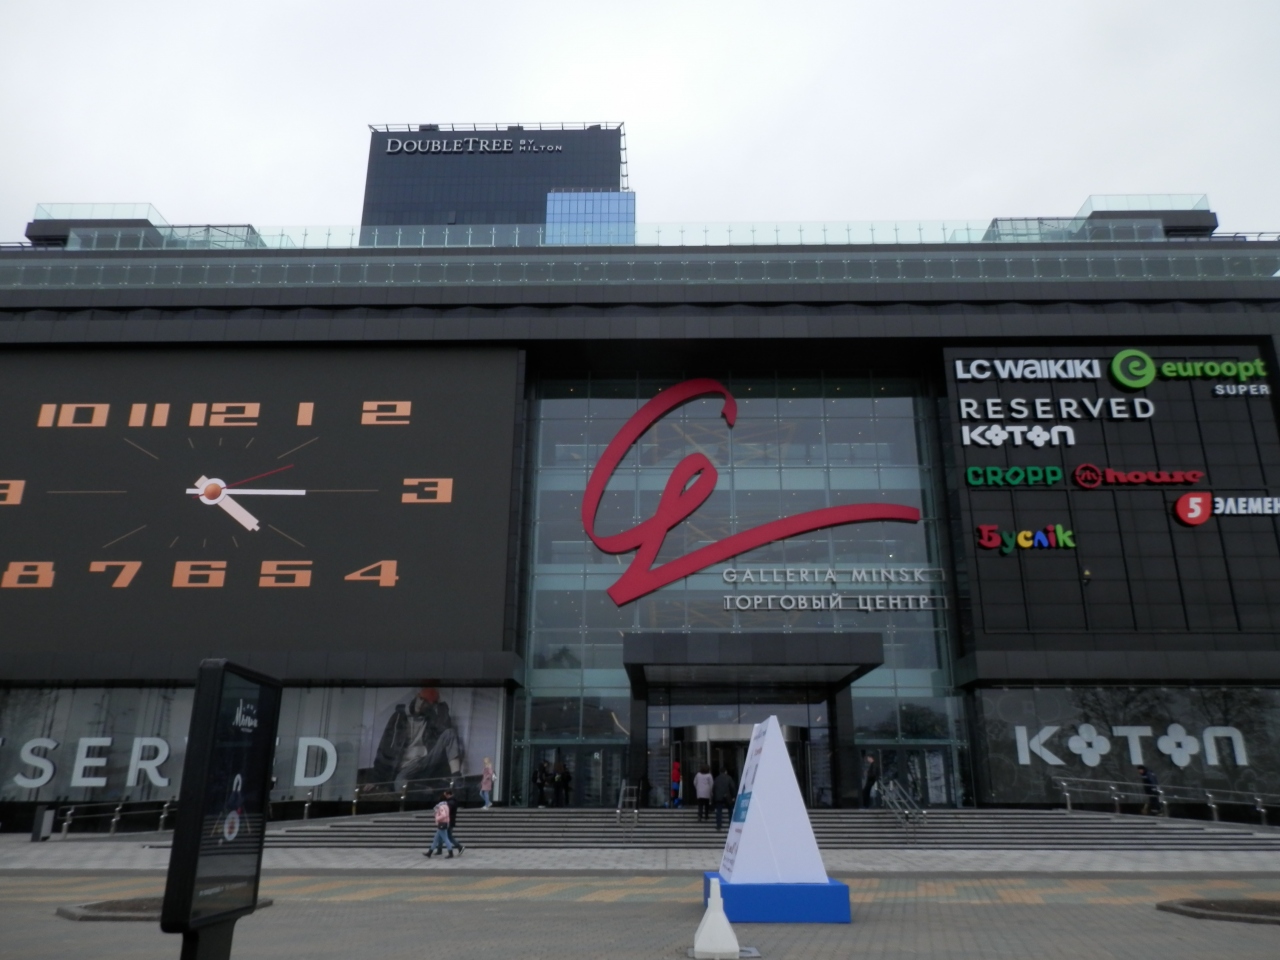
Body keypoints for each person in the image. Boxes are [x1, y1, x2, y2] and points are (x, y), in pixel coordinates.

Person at [371, 688, 463, 799]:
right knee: (400, 785)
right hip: (406, 768)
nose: (422, 703)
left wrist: (440, 705)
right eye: (421, 699)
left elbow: (445, 728)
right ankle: (430, 791)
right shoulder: (399, 717)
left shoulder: (431, 718)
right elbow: (385, 747)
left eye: (427, 702)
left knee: (449, 733)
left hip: (425, 761)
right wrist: (375, 779)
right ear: (417, 696)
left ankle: (457, 779)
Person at [424, 795, 456, 859]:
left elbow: (443, 815)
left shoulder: (441, 807)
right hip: (445, 823)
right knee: (436, 839)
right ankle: (429, 852)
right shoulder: (446, 806)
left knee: (445, 839)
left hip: (442, 824)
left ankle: (450, 853)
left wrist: (437, 818)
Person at [442, 788, 464, 855]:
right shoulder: (452, 801)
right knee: (448, 836)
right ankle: (459, 847)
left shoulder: (451, 802)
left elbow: (447, 811)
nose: (445, 797)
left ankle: (459, 847)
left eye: (445, 795)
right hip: (450, 821)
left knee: (448, 836)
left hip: (449, 821)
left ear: (448, 794)